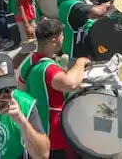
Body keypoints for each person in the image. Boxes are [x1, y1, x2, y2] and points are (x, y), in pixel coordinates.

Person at [17, 18, 90, 159]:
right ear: (54, 41)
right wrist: (81, 62)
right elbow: (70, 84)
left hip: (34, 134)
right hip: (53, 138)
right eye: (62, 35)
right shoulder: (48, 69)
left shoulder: (28, 62)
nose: (63, 38)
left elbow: (21, 91)